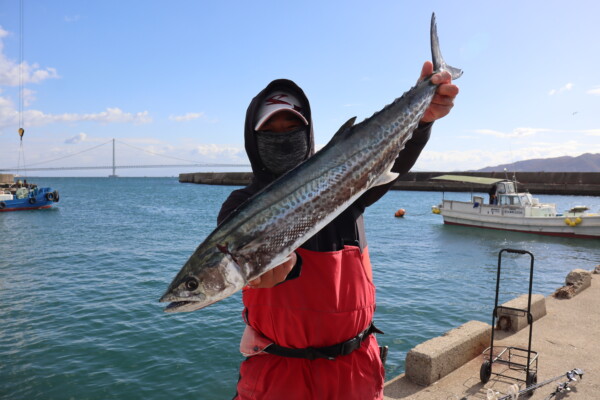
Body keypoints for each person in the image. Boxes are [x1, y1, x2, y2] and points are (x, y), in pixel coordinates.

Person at [218, 62, 459, 400]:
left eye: (292, 126)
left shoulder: (348, 189)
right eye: (271, 131)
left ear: (308, 132)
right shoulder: (240, 206)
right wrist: (267, 277)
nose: (284, 136)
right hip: (279, 373)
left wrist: (422, 121)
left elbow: (393, 161)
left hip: (355, 368)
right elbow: (254, 272)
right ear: (254, 139)